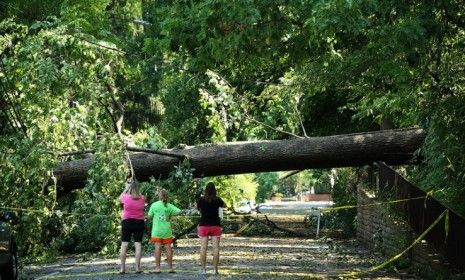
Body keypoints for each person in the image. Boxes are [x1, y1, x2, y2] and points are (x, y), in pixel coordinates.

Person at [147, 188, 182, 273]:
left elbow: (149, 216)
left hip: (157, 231)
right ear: (167, 196)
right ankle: (170, 268)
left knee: (157, 248)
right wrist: (170, 215)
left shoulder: (154, 205)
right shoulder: (169, 206)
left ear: (159, 196)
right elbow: (180, 211)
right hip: (167, 231)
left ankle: (158, 268)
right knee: (168, 249)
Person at [197, 182, 226, 275]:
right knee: (216, 248)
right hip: (215, 225)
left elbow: (198, 209)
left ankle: (203, 269)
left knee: (203, 248)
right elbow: (224, 206)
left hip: (203, 225)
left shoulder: (201, 200)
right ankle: (215, 269)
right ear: (214, 190)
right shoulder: (218, 200)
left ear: (205, 190)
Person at [119, 180, 145, 274]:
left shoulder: (125, 197)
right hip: (139, 222)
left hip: (127, 222)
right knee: (138, 244)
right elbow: (138, 196)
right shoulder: (142, 198)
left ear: (130, 188)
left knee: (124, 244)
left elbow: (119, 199)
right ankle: (137, 268)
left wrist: (126, 188)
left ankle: (122, 268)